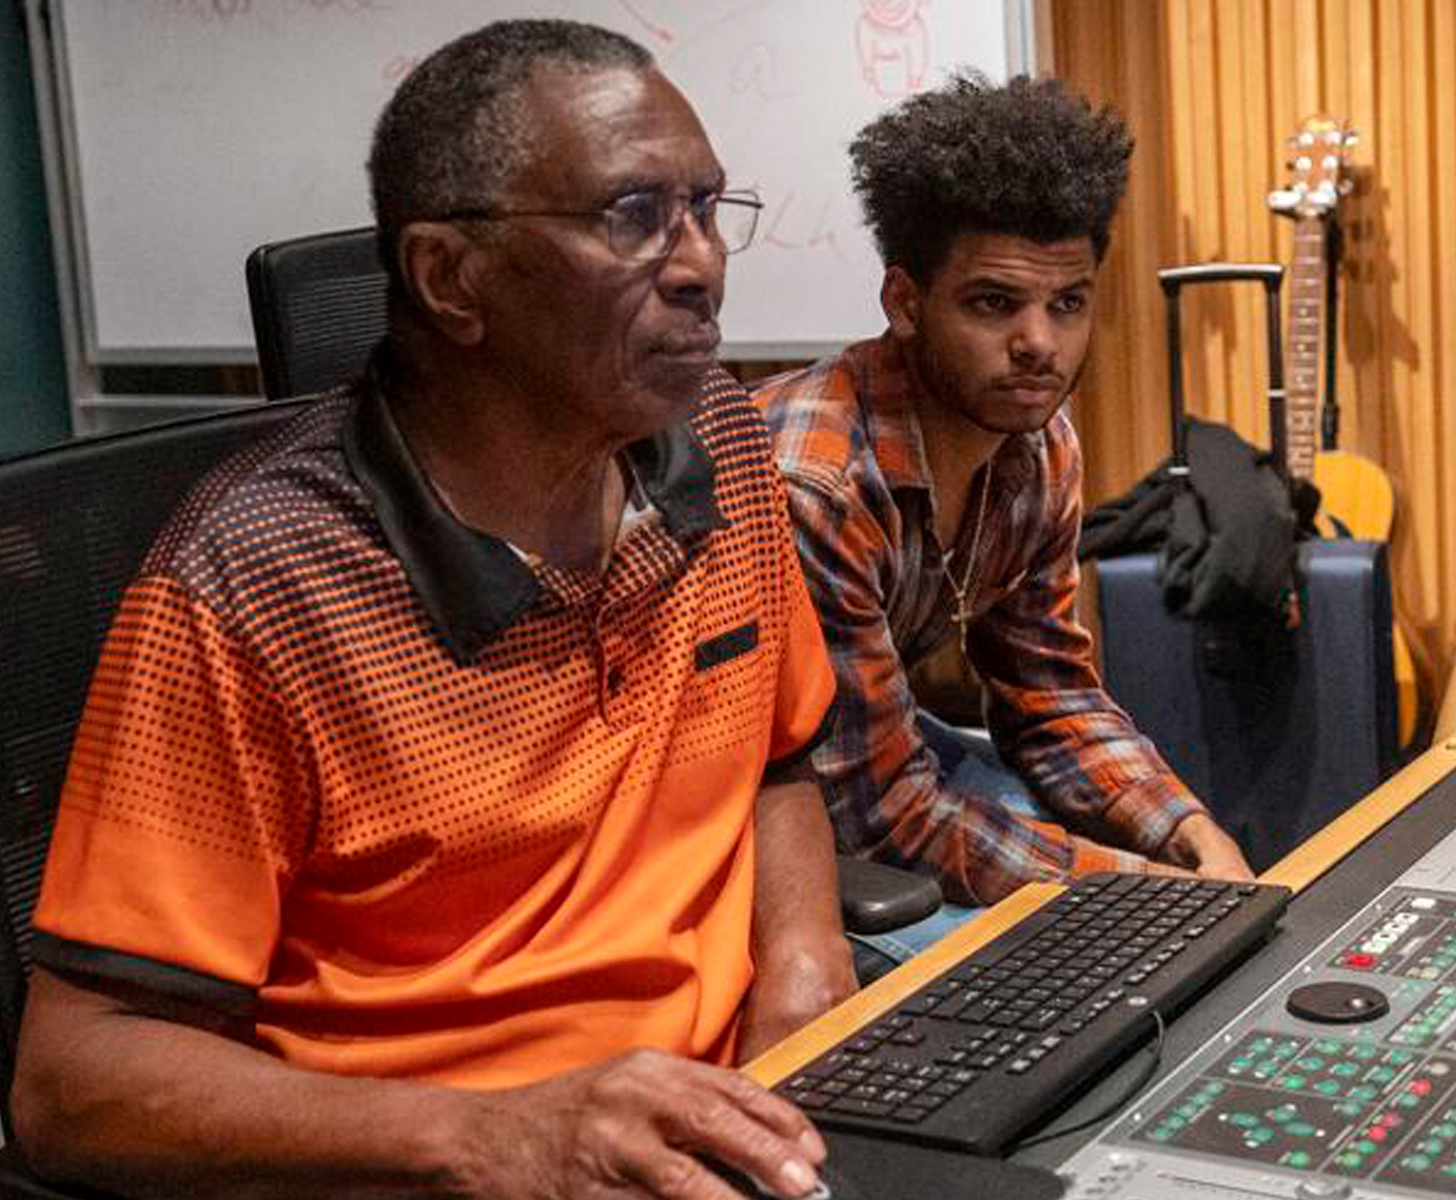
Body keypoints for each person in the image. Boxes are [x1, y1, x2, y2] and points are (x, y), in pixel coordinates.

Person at [11, 20, 854, 1200]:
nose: (701, 262)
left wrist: (806, 963)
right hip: (459, 1167)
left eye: (708, 208)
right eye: (634, 217)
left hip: (738, 1129)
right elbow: (69, 1084)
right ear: (451, 278)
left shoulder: (715, 437)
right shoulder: (252, 584)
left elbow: (779, 764)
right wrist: (495, 1137)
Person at [755, 72, 1254, 967]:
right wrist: (1136, 897)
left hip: (880, 756)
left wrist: (1188, 833)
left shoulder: (1039, 445)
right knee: (1058, 968)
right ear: (904, 304)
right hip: (749, 807)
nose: (1040, 343)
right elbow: (883, 815)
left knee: (1127, 856)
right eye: (995, 304)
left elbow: (1049, 695)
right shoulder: (816, 486)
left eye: (1068, 304)